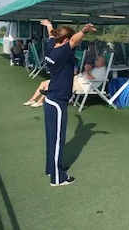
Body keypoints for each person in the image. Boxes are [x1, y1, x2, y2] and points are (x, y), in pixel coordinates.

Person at [40, 19, 96, 186]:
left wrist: (49, 26)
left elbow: (52, 35)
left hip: (50, 100)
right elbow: (73, 40)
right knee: (58, 140)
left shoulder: (51, 47)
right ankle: (57, 178)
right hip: (57, 102)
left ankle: (52, 168)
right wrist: (84, 31)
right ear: (64, 41)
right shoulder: (62, 52)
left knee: (52, 139)